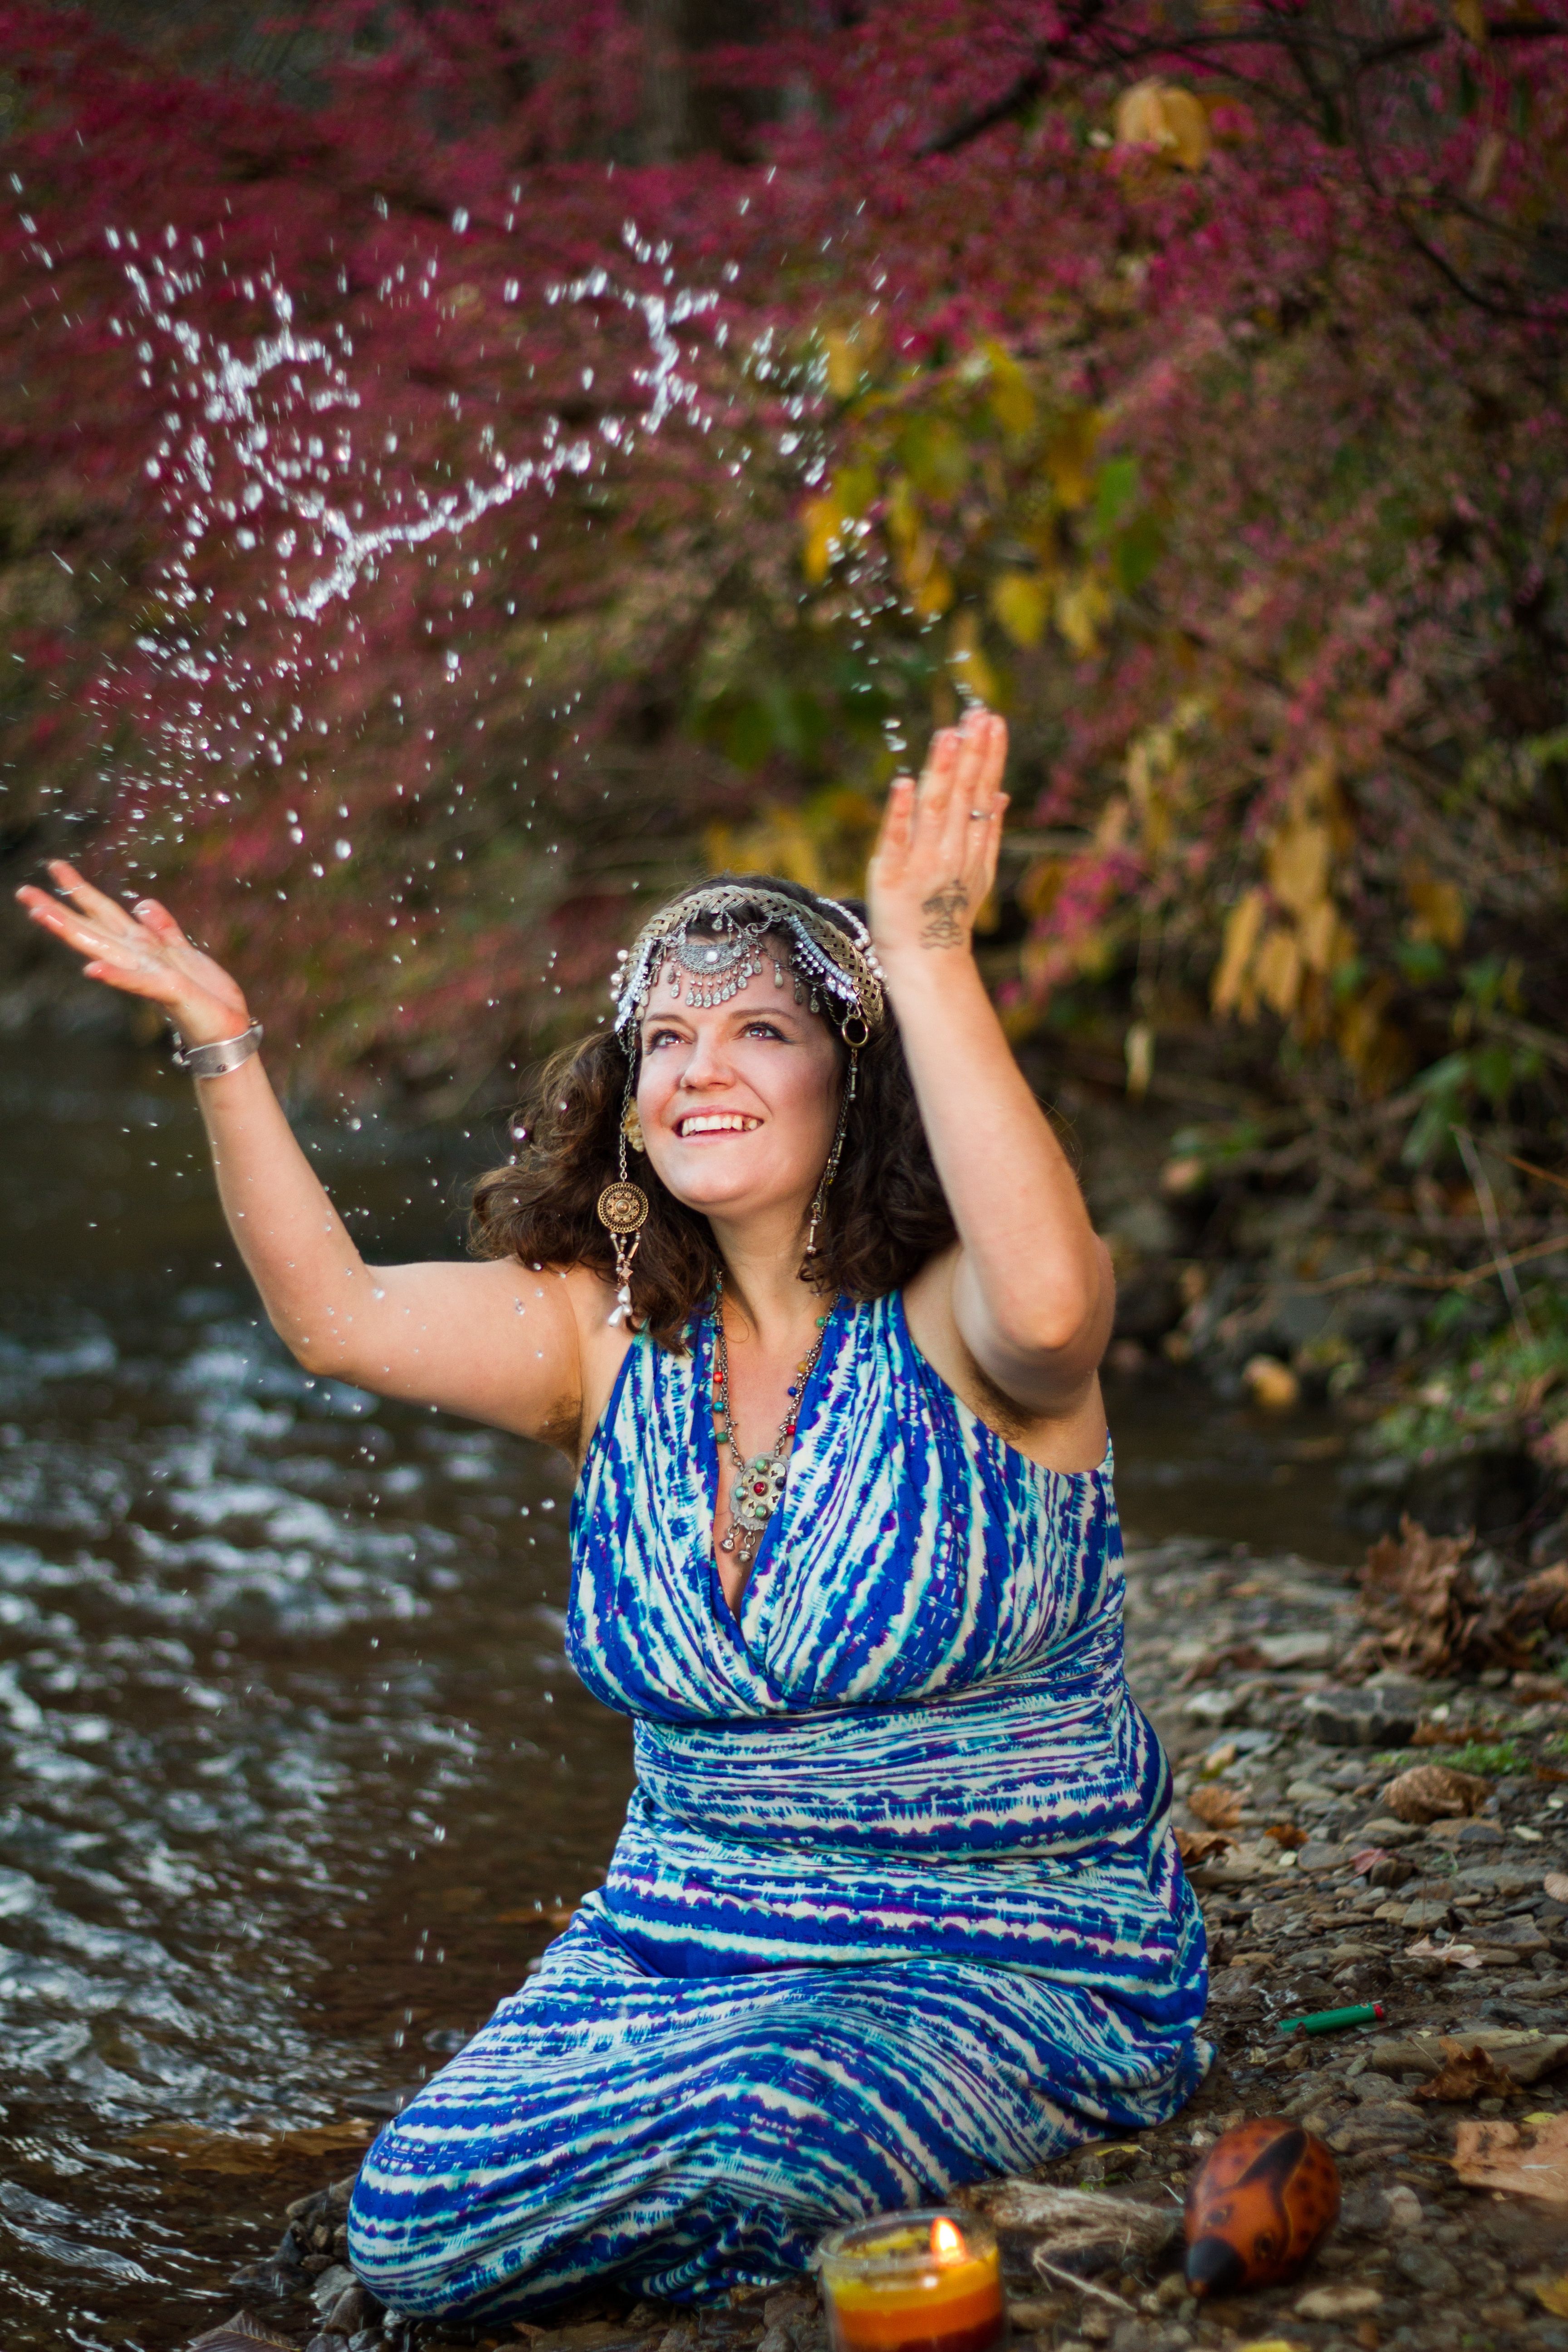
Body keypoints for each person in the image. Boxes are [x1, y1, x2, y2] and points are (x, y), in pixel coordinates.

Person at [19, 710, 1208, 2322]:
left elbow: (1064, 1309)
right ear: (631, 1102)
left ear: (853, 1088)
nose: (701, 1066)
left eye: (761, 1034)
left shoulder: (962, 1322)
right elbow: (337, 1320)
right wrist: (224, 1044)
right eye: (665, 1042)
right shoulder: (605, 1337)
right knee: (415, 2225)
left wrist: (924, 955)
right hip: (671, 1940)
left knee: (775, 2133)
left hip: (1011, 1947)